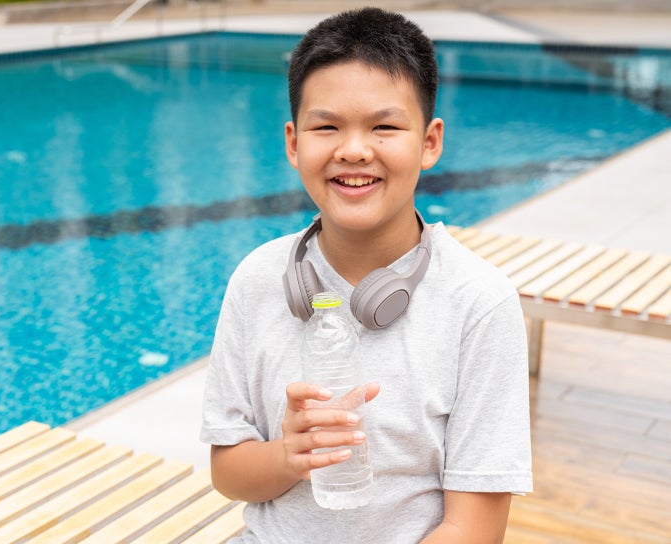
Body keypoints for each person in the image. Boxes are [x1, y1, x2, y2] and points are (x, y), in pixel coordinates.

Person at [199, 7, 533, 543]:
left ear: (429, 141)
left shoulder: (478, 302)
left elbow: (474, 528)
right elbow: (228, 474)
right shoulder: (256, 277)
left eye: (385, 126)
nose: (353, 150)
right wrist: (289, 454)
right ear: (293, 142)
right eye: (326, 126)